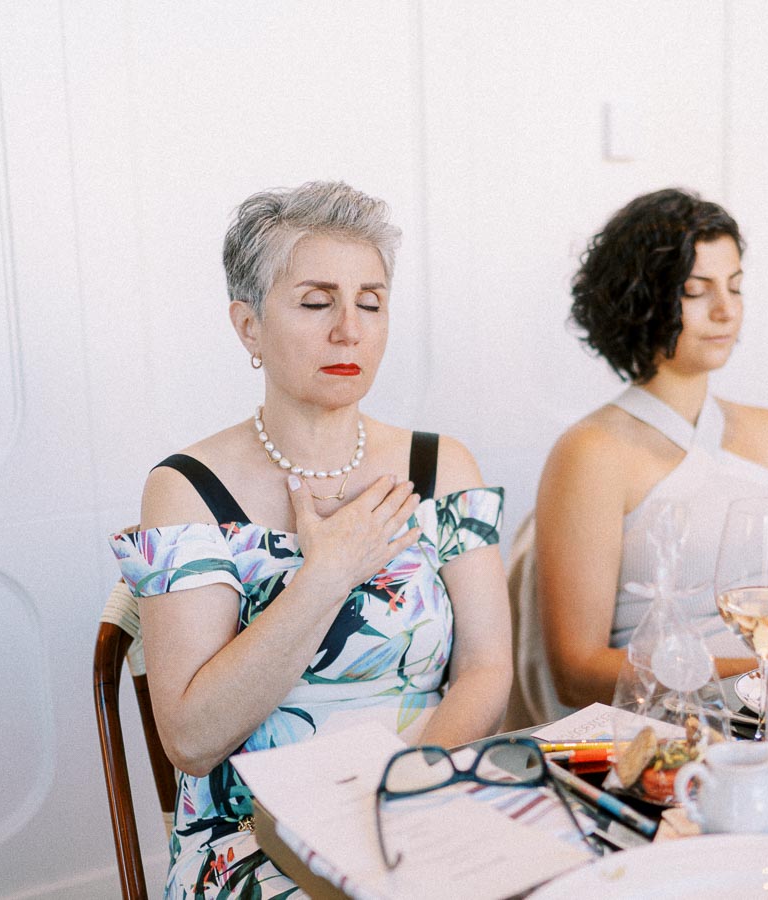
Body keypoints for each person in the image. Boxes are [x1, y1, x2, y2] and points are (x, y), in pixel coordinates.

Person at [108, 182, 511, 898]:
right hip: (259, 840)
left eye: (371, 302)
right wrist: (326, 574)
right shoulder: (186, 489)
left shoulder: (442, 465)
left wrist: (406, 787)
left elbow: (486, 669)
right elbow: (194, 739)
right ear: (249, 326)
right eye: (318, 302)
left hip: (425, 801)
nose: (349, 329)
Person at [527, 188, 768, 715]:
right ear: (639, 300)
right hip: (678, 721)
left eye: (735, 286)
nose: (726, 310)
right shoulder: (590, 453)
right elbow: (575, 671)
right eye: (695, 290)